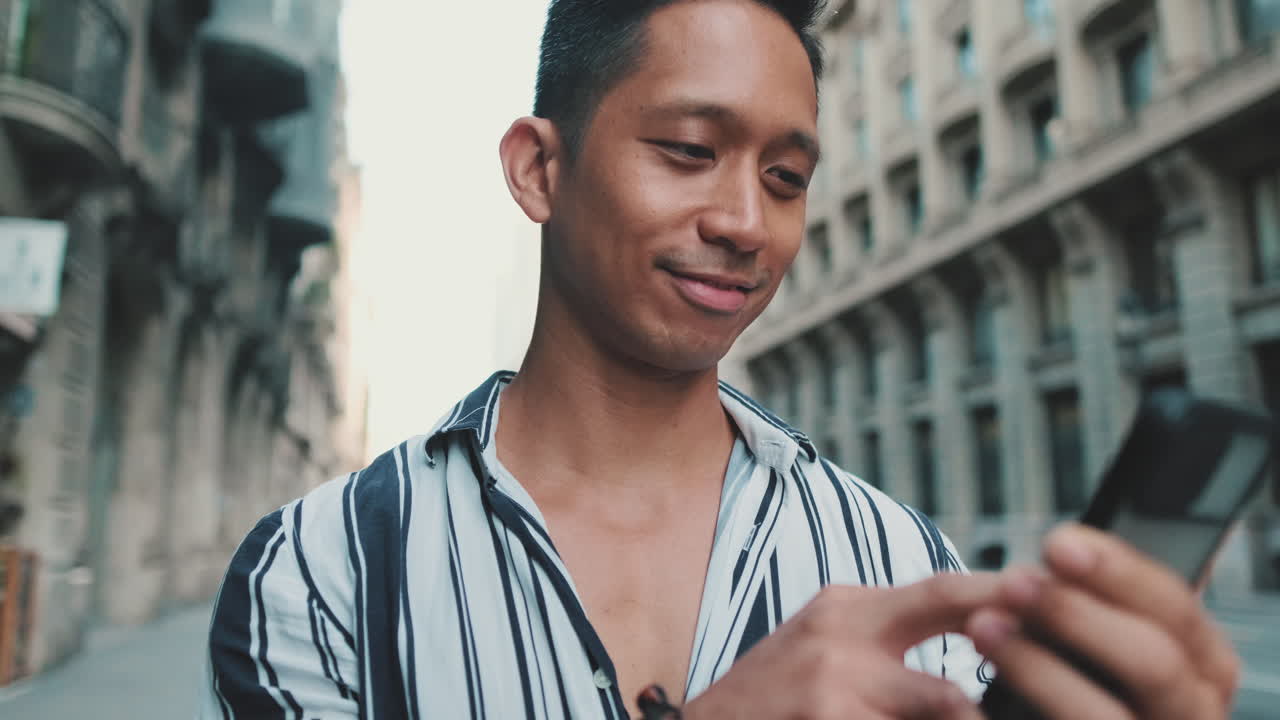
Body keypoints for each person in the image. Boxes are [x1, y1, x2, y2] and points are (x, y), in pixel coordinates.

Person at [198, 1, 1241, 718]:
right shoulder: (318, 576)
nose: (746, 222)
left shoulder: (906, 565)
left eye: (785, 177)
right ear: (537, 169)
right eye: (689, 152)